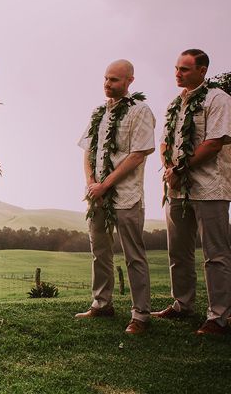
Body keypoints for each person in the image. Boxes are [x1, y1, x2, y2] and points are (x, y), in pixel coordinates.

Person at [152, 49, 231, 335]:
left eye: (184, 69)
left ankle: (219, 317)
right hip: (177, 190)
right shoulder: (175, 103)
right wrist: (170, 169)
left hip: (211, 188)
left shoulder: (218, 99)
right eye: (176, 68)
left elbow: (214, 143)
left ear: (202, 71)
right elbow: (164, 143)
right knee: (178, 251)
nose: (177, 73)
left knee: (216, 254)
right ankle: (182, 304)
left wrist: (181, 168)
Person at [75, 59, 155, 334]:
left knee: (134, 254)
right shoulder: (98, 112)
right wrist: (90, 182)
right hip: (97, 195)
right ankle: (102, 303)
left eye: (115, 80)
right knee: (99, 251)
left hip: (126, 195)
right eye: (106, 79)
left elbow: (137, 155)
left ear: (129, 81)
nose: (108, 84)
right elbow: (88, 149)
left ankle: (141, 315)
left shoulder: (140, 110)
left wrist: (105, 184)